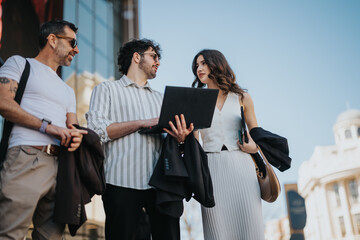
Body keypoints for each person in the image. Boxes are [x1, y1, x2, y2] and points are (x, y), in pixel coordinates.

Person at [86, 38, 193, 240]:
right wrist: (141, 123)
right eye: (154, 56)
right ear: (137, 57)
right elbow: (97, 131)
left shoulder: (162, 99)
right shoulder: (107, 89)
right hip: (120, 184)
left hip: (161, 188)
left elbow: (172, 144)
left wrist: (180, 138)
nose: (158, 62)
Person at [0, 20, 87, 239]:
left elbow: (72, 126)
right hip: (27, 157)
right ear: (52, 39)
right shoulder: (20, 64)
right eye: (72, 42)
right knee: (10, 234)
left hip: (62, 170)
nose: (76, 49)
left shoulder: (68, 90)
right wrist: (48, 127)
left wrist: (75, 137)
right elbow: (3, 102)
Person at [192, 49, 265, 240]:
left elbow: (257, 134)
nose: (199, 68)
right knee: (217, 232)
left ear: (216, 64)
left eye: (203, 63)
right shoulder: (196, 100)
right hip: (211, 169)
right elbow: (194, 143)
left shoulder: (242, 97)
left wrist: (254, 148)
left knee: (250, 228)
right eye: (196, 65)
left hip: (242, 167)